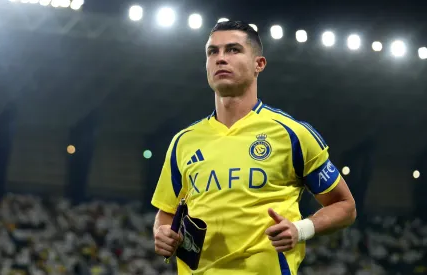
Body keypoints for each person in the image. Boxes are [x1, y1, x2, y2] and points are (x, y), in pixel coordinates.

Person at [151, 20, 357, 275]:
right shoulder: (184, 141)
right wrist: (161, 233)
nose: (220, 58)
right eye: (212, 52)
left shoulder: (292, 134)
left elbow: (345, 206)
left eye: (233, 50)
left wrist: (300, 229)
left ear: (259, 64)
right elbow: (166, 214)